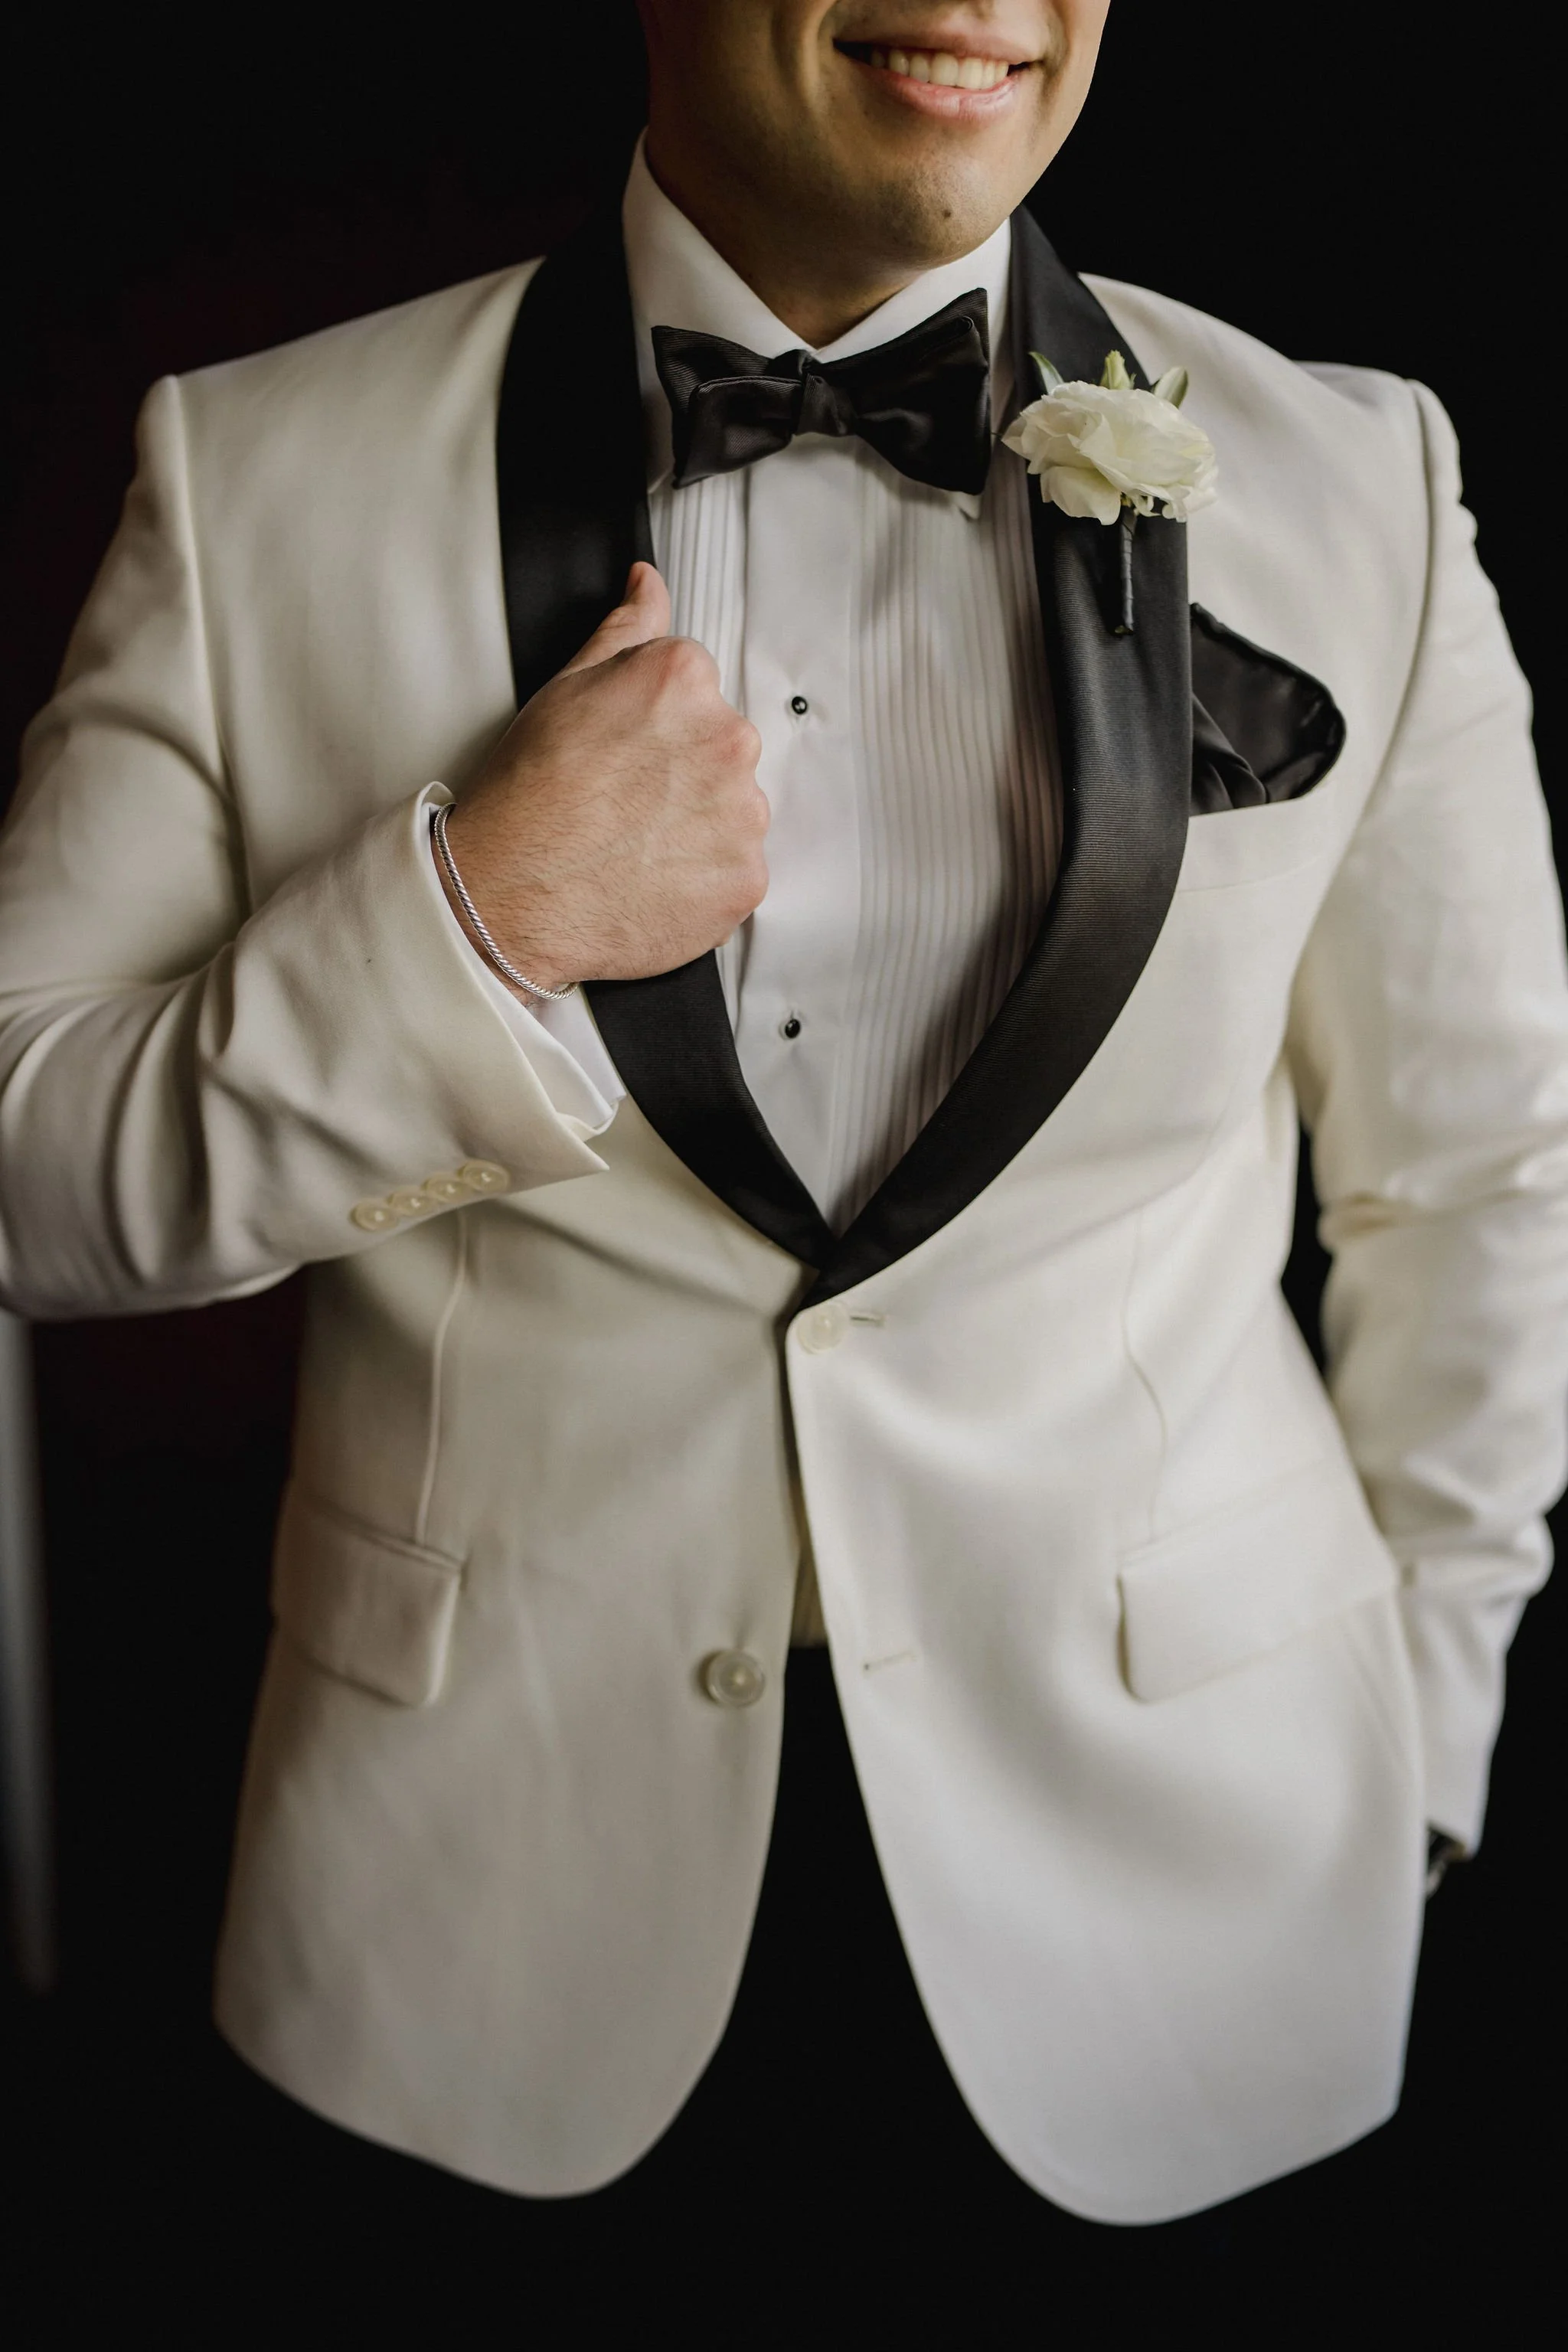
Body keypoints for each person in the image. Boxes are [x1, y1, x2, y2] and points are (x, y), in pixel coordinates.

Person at [2, 0, 1565, 2230]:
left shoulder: (1362, 483)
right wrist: (471, 920)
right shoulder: (251, 478)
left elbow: (1486, 1172)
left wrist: (1421, 1750)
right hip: (466, 1938)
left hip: (1212, 1917)